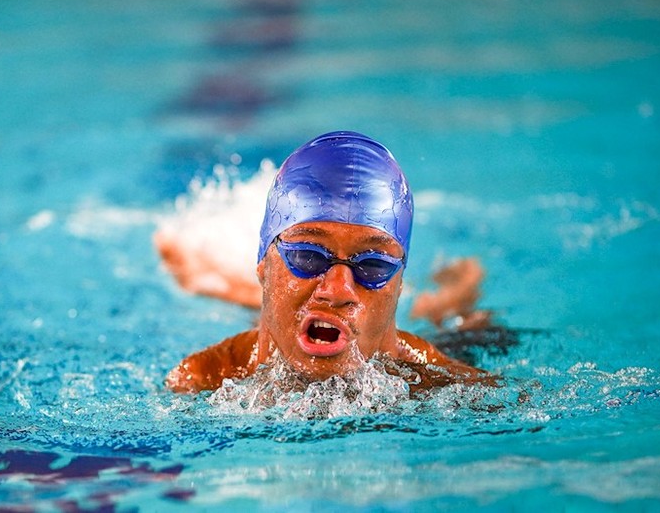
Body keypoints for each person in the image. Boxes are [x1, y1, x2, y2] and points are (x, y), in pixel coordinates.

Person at [156, 131, 497, 394]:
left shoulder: (445, 385)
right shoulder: (204, 379)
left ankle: (457, 294)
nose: (338, 290)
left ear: (399, 284)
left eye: (374, 266)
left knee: (460, 329)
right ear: (262, 263)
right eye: (307, 256)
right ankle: (208, 278)